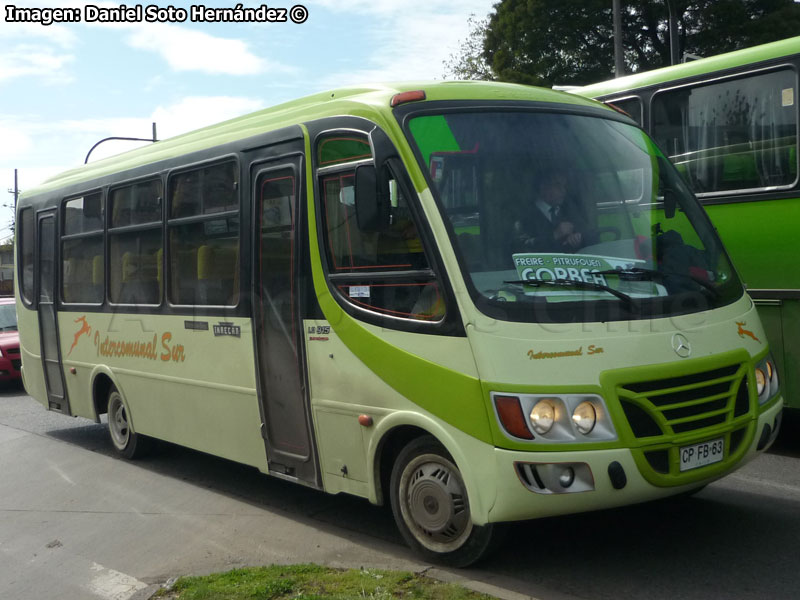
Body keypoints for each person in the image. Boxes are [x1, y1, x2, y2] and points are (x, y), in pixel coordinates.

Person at [513, 171, 595, 253]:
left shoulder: (569, 210)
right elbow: (521, 248)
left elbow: (591, 235)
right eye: (558, 186)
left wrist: (578, 238)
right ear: (543, 187)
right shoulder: (525, 215)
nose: (563, 191)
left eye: (564, 186)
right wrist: (555, 235)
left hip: (573, 265)